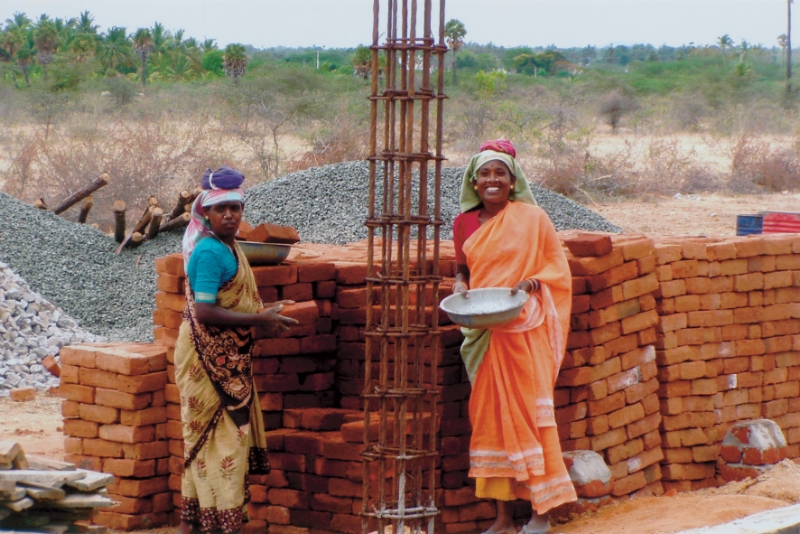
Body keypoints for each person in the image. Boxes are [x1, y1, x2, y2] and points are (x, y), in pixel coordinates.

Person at [452, 140, 577, 534]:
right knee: (490, 421)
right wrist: (459, 285)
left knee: (532, 417)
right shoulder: (464, 223)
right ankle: (503, 519)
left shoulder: (533, 218)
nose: (492, 180)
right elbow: (462, 268)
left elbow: (556, 269)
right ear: (474, 181)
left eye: (500, 173)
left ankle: (542, 513)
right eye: (485, 173)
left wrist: (530, 283)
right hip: (484, 334)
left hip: (525, 329)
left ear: (513, 180)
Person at [174, 166, 298, 534]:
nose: (229, 215)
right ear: (207, 213)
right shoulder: (209, 252)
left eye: (235, 208)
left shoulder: (232, 248)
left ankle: (193, 525)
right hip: (205, 359)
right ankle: (219, 524)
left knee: (217, 442)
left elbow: (232, 302)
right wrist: (260, 320)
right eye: (220, 209)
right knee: (218, 442)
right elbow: (205, 311)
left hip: (229, 358)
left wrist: (266, 311)